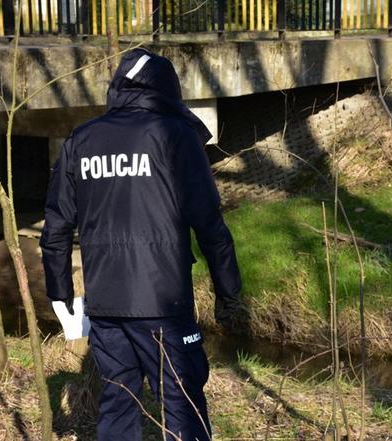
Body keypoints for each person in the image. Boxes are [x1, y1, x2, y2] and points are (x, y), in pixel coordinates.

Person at [40, 48, 242, 441]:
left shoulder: (81, 140)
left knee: (118, 400)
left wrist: (60, 291)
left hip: (105, 305)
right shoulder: (175, 135)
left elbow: (56, 226)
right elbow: (209, 223)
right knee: (181, 404)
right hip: (164, 303)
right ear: (167, 89)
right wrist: (228, 292)